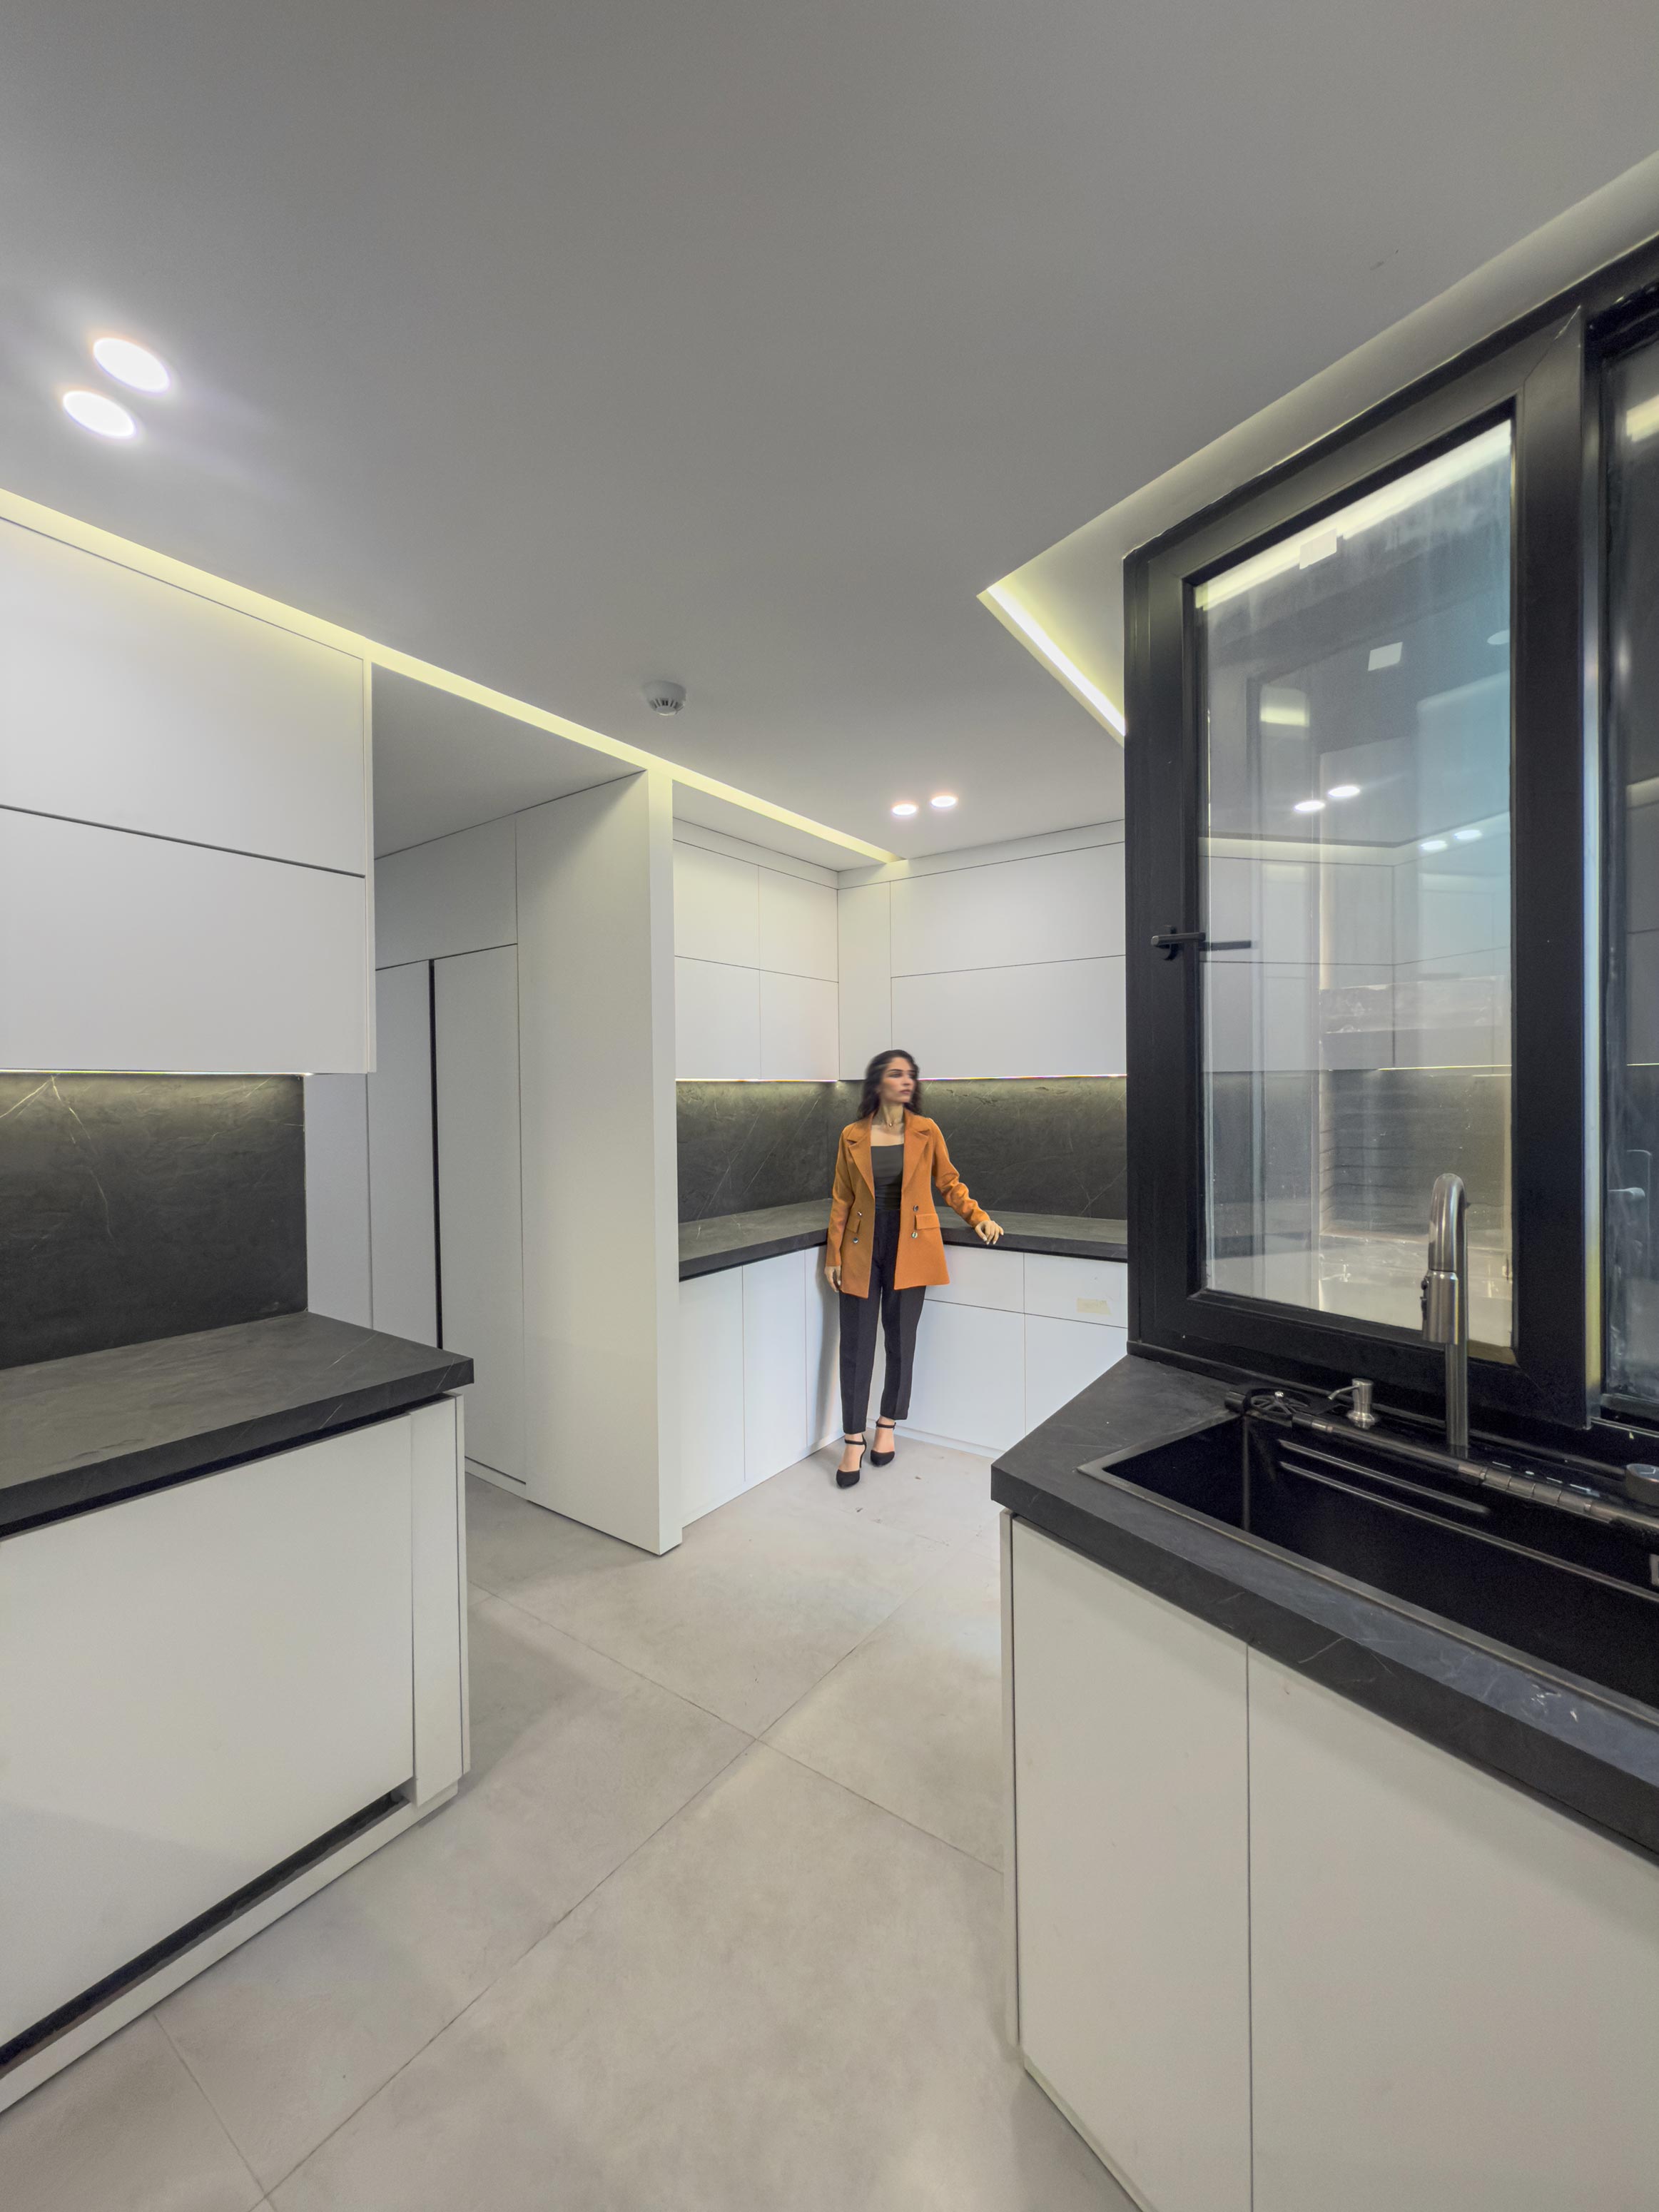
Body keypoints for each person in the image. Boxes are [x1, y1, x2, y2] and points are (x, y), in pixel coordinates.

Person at [825, 1049, 1003, 1488]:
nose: (907, 1081)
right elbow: (842, 1199)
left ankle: (886, 1425)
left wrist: (977, 1216)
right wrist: (833, 1256)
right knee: (856, 1344)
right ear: (877, 1083)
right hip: (862, 1245)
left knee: (901, 1340)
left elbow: (948, 1182)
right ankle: (853, 1439)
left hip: (914, 1242)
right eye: (897, 1074)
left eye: (911, 1075)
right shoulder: (852, 1135)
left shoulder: (926, 1130)